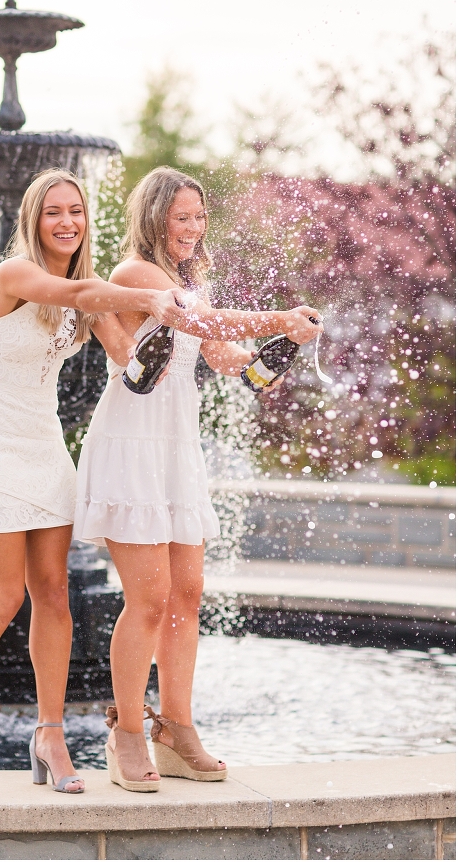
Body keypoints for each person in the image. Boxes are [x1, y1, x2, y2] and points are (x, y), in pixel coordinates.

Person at [0, 168, 189, 798]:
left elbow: (128, 358)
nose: (66, 222)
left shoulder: (84, 294)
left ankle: (50, 734)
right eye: (53, 213)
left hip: (45, 448)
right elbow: (76, 297)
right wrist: (144, 296)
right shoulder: (15, 275)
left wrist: (178, 340)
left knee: (55, 595)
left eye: (76, 211)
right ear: (33, 220)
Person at [74, 167, 321, 792]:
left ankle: (176, 731)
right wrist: (278, 315)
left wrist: (273, 352)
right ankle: (126, 732)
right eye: (181, 217)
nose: (192, 228)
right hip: (131, 445)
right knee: (150, 598)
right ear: (154, 218)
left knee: (187, 595)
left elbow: (220, 355)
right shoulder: (136, 275)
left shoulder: (191, 282)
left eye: (199, 217)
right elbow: (206, 326)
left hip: (176, 448)